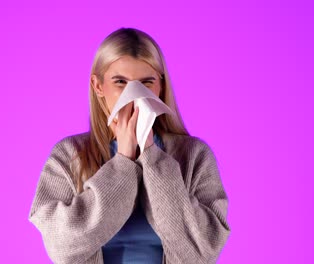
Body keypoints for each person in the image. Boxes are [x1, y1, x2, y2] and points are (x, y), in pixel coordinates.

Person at [28, 27, 231, 264]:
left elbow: (201, 252)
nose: (134, 95)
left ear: (160, 86)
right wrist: (123, 162)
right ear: (98, 86)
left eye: (146, 82)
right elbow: (62, 247)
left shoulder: (194, 156)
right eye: (120, 82)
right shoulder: (69, 157)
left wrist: (151, 155)